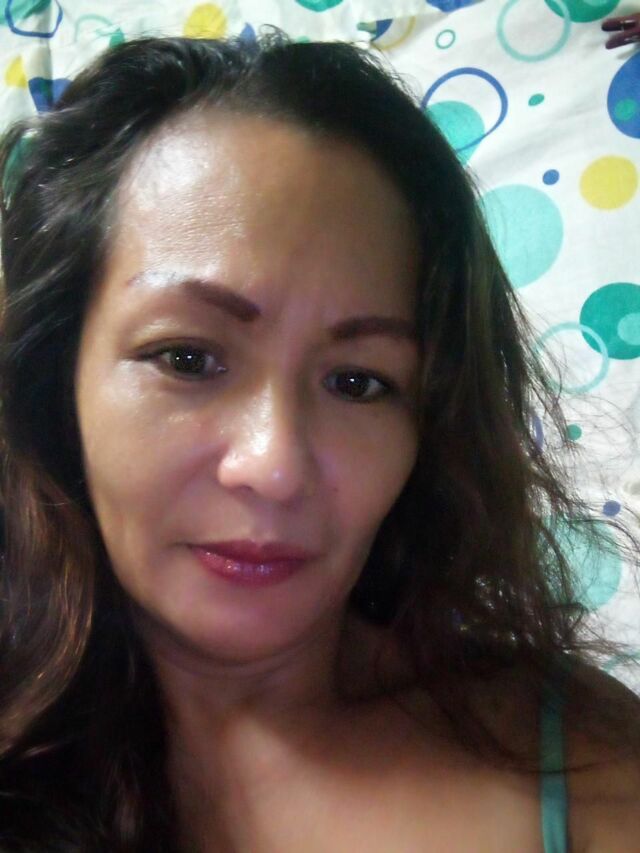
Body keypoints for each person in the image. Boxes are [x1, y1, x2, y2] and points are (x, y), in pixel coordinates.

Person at [0, 29, 638, 852]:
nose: (273, 466)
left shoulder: (577, 757)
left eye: (358, 382)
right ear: (57, 376)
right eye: (187, 358)